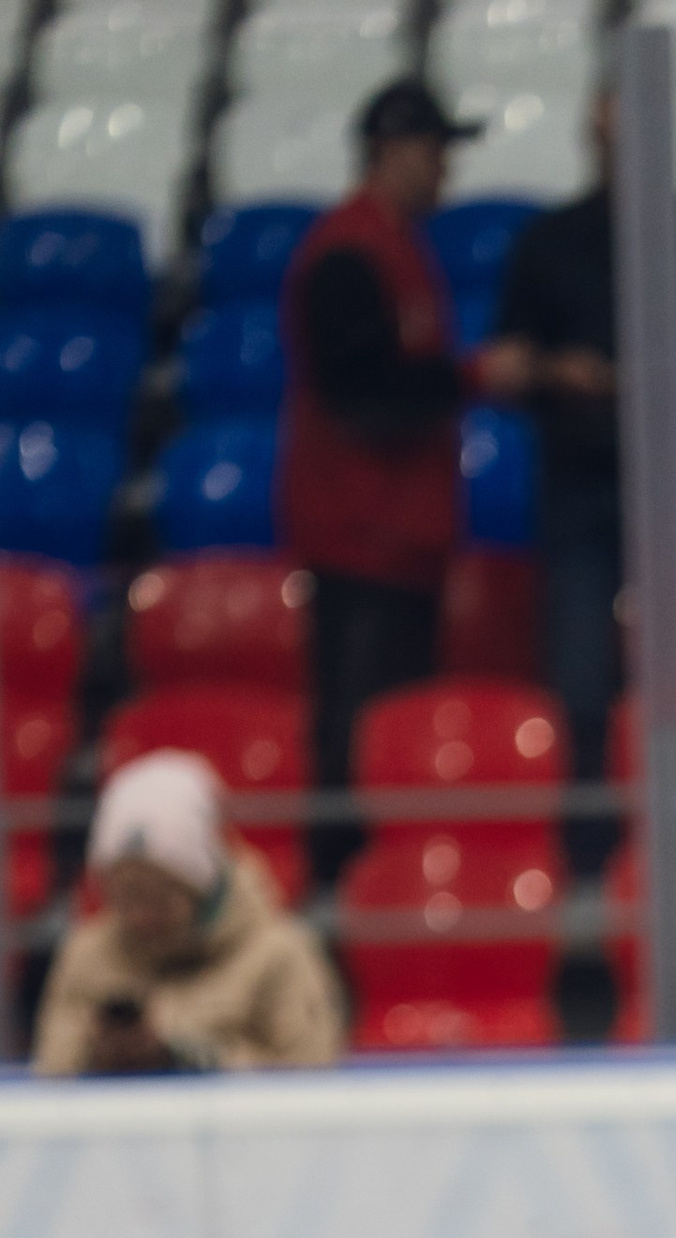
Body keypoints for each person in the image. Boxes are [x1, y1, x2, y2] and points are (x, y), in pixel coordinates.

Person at [491, 94, 676, 811]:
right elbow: (508, 363)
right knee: (580, 682)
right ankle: (589, 841)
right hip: (578, 482)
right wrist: (555, 373)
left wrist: (661, 384)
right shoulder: (551, 243)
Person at [278, 80, 489, 857]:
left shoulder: (388, 247)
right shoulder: (349, 253)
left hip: (395, 538)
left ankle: (377, 877)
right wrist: (472, 377)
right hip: (362, 536)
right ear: (391, 152)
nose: (445, 171)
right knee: (360, 732)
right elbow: (365, 398)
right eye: (435, 152)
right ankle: (345, 883)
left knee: (384, 732)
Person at [33, 752, 342, 1074]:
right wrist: (96, 1055)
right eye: (125, 898)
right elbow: (52, 1069)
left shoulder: (280, 955)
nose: (140, 915)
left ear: (200, 887)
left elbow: (310, 1075)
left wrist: (191, 1059)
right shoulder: (86, 956)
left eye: (160, 898)